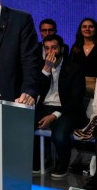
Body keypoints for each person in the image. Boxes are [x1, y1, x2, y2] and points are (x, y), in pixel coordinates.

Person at [32, 35, 86, 179]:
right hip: (44, 106)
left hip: (68, 110)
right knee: (23, 124)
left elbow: (75, 100)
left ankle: (62, 164)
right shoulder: (40, 67)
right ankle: (36, 161)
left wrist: (54, 115)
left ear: (61, 49)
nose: (50, 51)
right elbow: (35, 91)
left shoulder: (75, 69)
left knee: (60, 133)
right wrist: (45, 71)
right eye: (47, 48)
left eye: (54, 47)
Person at [69, 17, 97, 99]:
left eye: (91, 26)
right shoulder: (76, 48)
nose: (87, 29)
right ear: (80, 30)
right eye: (84, 26)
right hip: (78, 87)